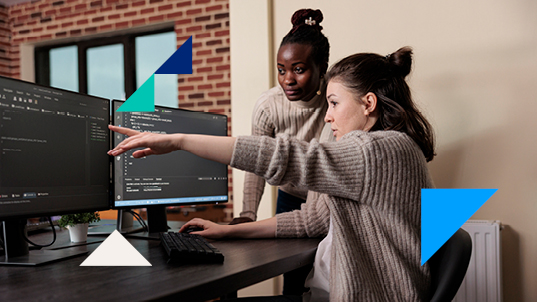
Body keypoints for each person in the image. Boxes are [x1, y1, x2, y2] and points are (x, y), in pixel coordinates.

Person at [108, 46, 436, 301]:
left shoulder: (383, 150)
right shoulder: (379, 152)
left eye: (334, 103)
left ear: (368, 103)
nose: (327, 117)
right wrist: (228, 231)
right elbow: (313, 220)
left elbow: (283, 156)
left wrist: (179, 141)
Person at [230, 8, 331, 295]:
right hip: (289, 198)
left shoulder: (334, 103)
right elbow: (255, 163)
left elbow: (327, 162)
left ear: (321, 68)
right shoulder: (268, 106)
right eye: (281, 69)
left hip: (325, 200)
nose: (288, 79)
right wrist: (248, 214)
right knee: (293, 280)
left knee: (325, 273)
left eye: (298, 69)